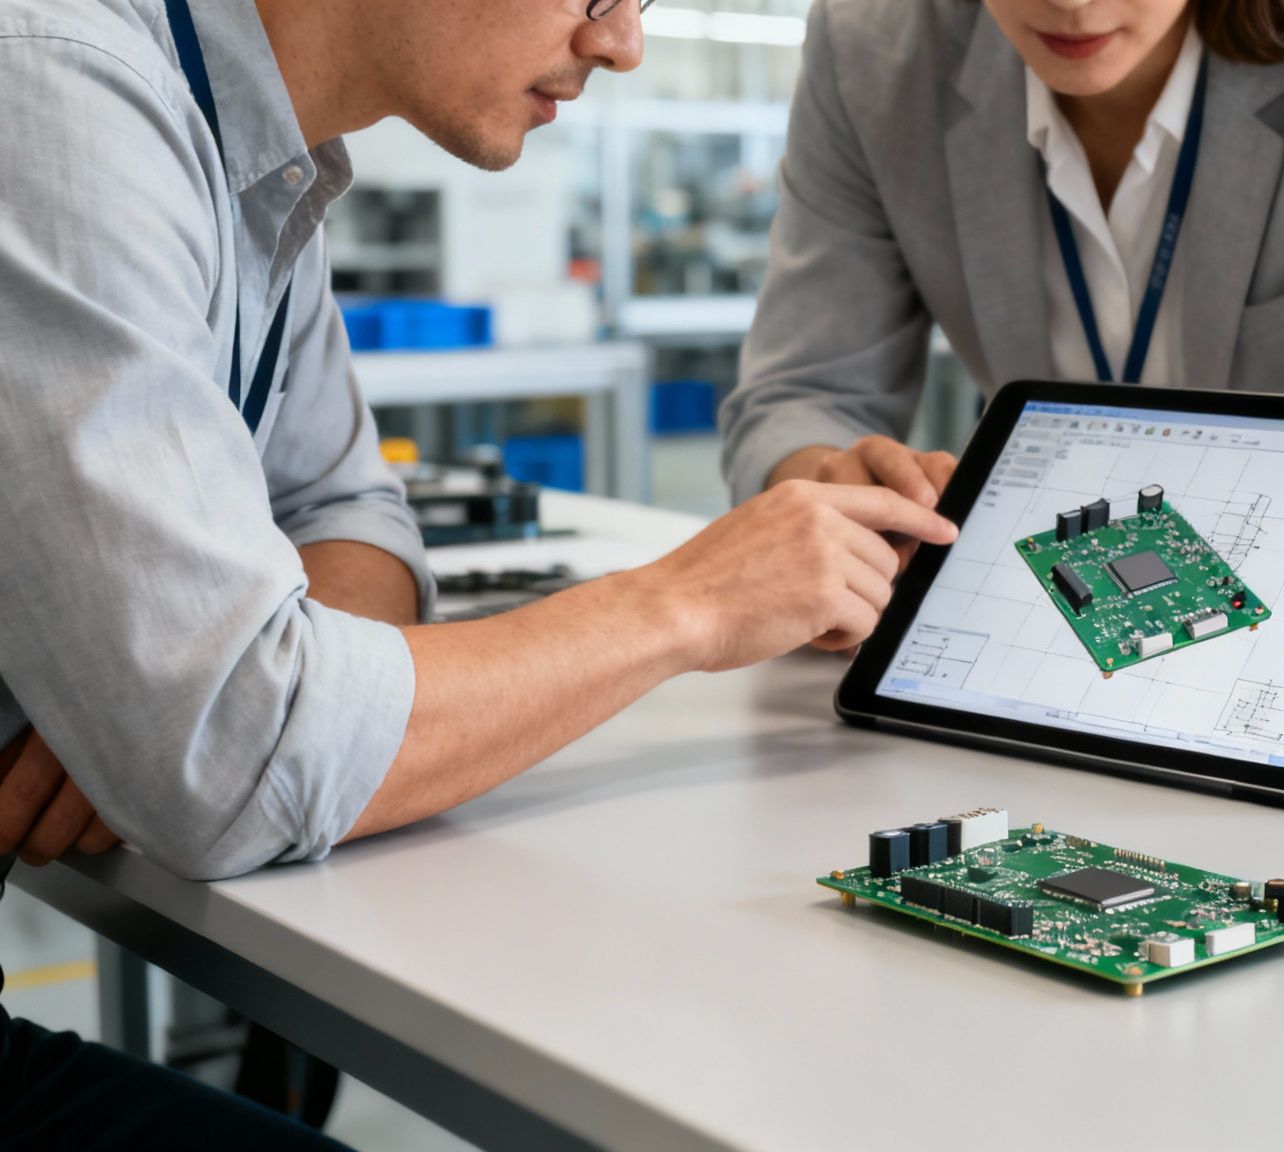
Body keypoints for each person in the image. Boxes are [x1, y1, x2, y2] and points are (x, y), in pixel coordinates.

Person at [0, 0, 953, 1144]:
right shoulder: (56, 95)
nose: (621, 44)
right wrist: (684, 603)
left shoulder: (256, 167)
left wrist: (178, 695)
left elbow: (350, 515)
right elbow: (230, 759)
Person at [722, 0, 1284, 648]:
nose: (1072, 3)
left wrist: (1223, 647)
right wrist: (840, 500)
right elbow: (799, 397)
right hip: (1062, 605)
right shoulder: (873, 45)